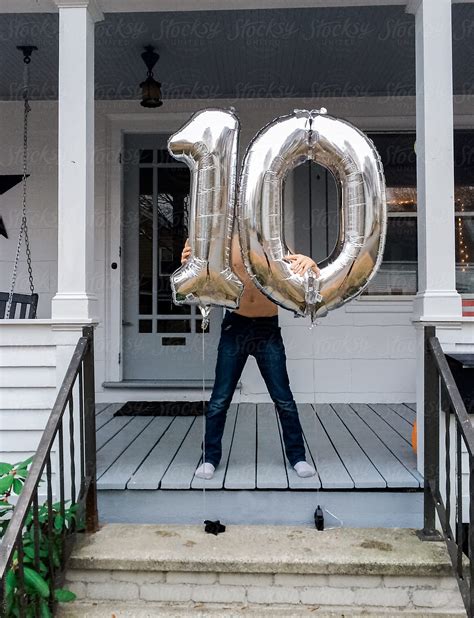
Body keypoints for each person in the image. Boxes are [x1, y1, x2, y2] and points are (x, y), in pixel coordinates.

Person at [181, 232, 320, 480]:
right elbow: (198, 279)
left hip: (268, 329)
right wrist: (187, 264)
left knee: (283, 398)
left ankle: (298, 457)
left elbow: (303, 277)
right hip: (236, 326)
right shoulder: (222, 238)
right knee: (220, 399)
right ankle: (210, 458)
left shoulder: (273, 238)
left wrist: (311, 264)